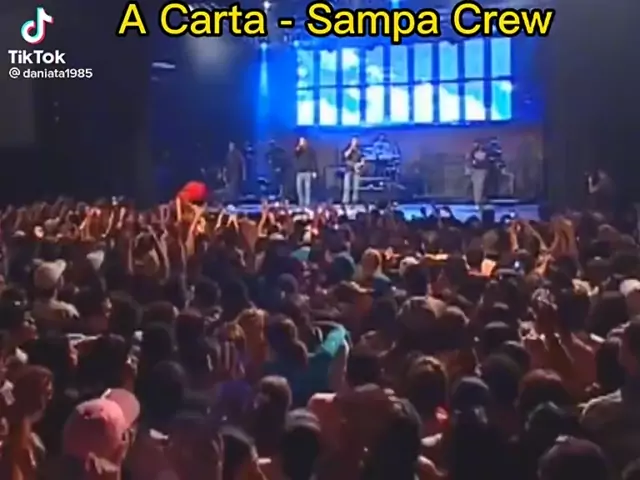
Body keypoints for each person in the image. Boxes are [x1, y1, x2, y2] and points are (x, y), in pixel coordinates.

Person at [294, 137, 318, 207]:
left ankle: (307, 204)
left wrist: (314, 171)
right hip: (299, 172)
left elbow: (313, 161)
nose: (301, 143)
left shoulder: (310, 151)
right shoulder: (298, 151)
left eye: (303, 141)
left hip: (307, 172)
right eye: (300, 141)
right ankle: (301, 203)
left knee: (307, 189)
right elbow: (294, 154)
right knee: (299, 189)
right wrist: (298, 147)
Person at [467, 140, 490, 207]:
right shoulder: (473, 152)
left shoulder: (485, 152)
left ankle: (478, 201)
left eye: (476, 144)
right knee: (476, 187)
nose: (474, 145)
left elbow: (484, 161)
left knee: (479, 186)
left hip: (481, 171)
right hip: (474, 171)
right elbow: (470, 160)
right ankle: (477, 201)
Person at [342, 137, 364, 205]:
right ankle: (345, 201)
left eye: (356, 141)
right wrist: (351, 148)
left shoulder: (360, 150)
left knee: (356, 187)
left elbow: (363, 161)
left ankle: (355, 201)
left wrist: (358, 165)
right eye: (353, 141)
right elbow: (345, 155)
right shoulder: (347, 148)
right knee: (346, 187)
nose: (354, 143)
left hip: (356, 170)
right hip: (348, 170)